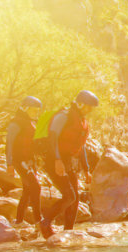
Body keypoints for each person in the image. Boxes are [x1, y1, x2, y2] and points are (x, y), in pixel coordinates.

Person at [39, 90, 98, 239]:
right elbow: (52, 139)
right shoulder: (63, 117)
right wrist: (58, 160)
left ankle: (68, 231)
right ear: (80, 104)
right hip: (54, 159)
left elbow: (81, 147)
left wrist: (86, 170)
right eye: (88, 107)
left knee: (75, 198)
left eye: (91, 108)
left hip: (68, 162)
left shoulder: (82, 121)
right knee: (69, 196)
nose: (89, 110)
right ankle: (45, 223)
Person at [6, 96, 43, 225]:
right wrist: (9, 164)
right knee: (36, 187)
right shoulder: (15, 123)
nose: (36, 113)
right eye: (33, 111)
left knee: (27, 191)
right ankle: (39, 221)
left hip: (30, 161)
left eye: (37, 111)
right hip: (19, 160)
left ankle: (19, 221)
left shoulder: (31, 122)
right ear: (25, 108)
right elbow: (9, 144)